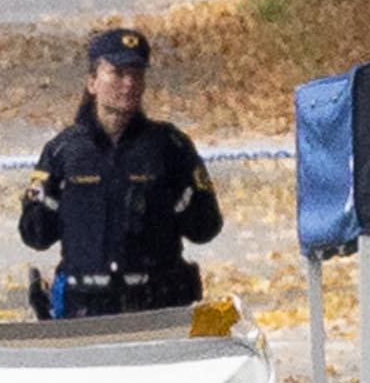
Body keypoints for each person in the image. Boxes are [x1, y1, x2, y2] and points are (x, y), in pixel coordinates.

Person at [17, 24, 222, 319]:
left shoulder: (169, 147)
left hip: (157, 308)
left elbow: (205, 227)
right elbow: (35, 234)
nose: (129, 84)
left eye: (136, 75)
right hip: (84, 311)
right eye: (118, 73)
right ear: (92, 82)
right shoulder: (64, 151)